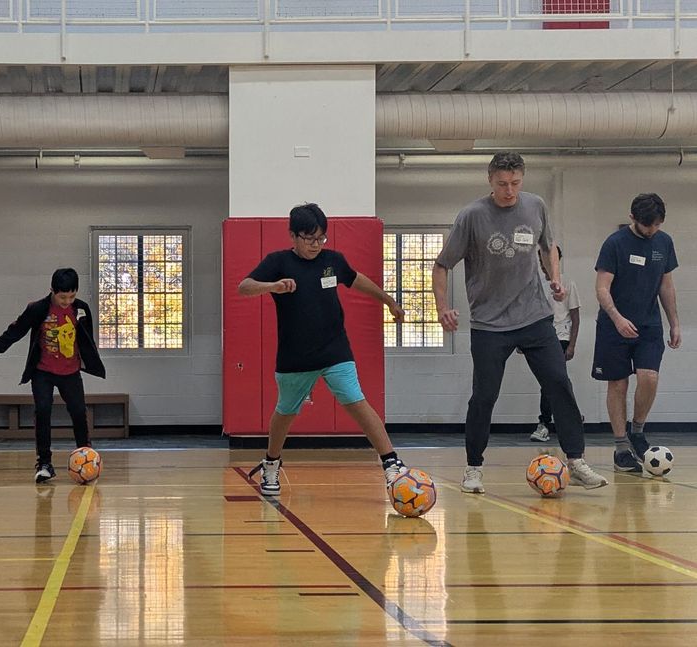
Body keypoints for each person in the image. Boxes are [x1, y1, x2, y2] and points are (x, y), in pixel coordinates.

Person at [432, 151, 607, 493]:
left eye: (515, 183)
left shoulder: (535, 205)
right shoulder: (471, 216)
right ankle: (473, 467)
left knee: (559, 383)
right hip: (488, 323)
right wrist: (442, 307)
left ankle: (576, 459)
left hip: (534, 316)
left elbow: (548, 245)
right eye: (502, 184)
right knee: (484, 395)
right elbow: (442, 265)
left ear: (522, 180)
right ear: (490, 181)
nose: (509, 191)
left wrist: (554, 277)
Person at [237, 203, 411, 497]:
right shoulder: (278, 261)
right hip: (295, 356)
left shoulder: (333, 260)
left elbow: (357, 280)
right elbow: (244, 286)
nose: (316, 245)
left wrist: (388, 301)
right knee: (286, 412)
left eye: (321, 238)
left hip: (334, 350)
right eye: (309, 239)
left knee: (357, 402)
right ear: (293, 236)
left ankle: (391, 463)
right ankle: (271, 462)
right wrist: (273, 286)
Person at [0, 268, 106, 483]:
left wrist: (90, 363)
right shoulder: (37, 309)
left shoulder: (81, 309)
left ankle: (87, 456)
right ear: (52, 291)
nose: (67, 301)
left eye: (72, 296)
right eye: (62, 297)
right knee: (43, 411)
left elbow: (86, 341)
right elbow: (14, 332)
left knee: (78, 411)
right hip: (43, 372)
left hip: (70, 372)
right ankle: (44, 463)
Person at [592, 193, 680, 473]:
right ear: (633, 219)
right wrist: (617, 318)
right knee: (618, 385)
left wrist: (674, 322)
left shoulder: (664, 243)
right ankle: (621, 448)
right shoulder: (614, 244)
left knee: (649, 377)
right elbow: (602, 288)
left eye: (656, 225)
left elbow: (666, 285)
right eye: (647, 226)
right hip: (613, 325)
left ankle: (637, 431)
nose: (652, 231)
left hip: (649, 325)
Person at [530, 246, 581, 442]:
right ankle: (571, 415)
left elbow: (575, 317)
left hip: (560, 337)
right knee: (554, 381)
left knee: (551, 380)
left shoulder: (567, 282)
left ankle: (544, 424)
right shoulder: (534, 282)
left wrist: (572, 345)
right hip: (540, 336)